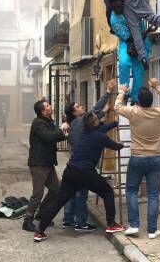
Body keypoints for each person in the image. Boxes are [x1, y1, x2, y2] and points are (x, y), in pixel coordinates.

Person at [33, 111, 125, 242]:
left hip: (70, 172)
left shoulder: (85, 132)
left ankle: (40, 231)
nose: (99, 120)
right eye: (97, 119)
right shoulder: (100, 137)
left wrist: (115, 123)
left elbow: (102, 128)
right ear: (95, 123)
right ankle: (111, 224)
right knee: (108, 192)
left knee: (58, 202)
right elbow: (116, 147)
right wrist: (121, 144)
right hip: (85, 173)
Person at [114, 78, 160, 239]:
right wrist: (157, 86)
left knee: (131, 190)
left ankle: (134, 225)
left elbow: (117, 107)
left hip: (137, 157)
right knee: (153, 194)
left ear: (138, 101)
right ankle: (152, 230)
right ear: (152, 100)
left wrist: (122, 91)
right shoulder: (159, 112)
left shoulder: (134, 112)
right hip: (155, 158)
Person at [62, 78, 117, 232]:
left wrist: (103, 112)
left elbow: (94, 116)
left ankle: (68, 220)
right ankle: (81, 223)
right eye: (78, 106)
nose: (82, 107)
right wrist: (107, 92)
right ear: (75, 112)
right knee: (81, 193)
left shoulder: (73, 124)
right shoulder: (81, 123)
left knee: (71, 192)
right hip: (83, 167)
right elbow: (94, 111)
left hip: (73, 164)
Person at [22, 99, 69, 232]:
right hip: (39, 164)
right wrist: (61, 129)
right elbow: (48, 137)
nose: (51, 107)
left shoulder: (48, 121)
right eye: (48, 106)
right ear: (43, 111)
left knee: (56, 190)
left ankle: (41, 214)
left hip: (47, 163)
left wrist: (66, 135)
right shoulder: (38, 123)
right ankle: (27, 221)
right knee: (37, 194)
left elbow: (55, 136)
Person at [110, 10, 151, 105]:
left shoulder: (133, 5)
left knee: (139, 70)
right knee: (124, 63)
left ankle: (135, 98)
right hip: (126, 40)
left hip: (140, 38)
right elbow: (118, 28)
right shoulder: (114, 16)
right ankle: (125, 91)